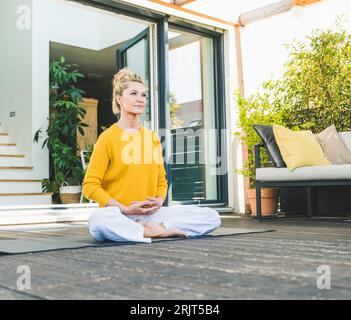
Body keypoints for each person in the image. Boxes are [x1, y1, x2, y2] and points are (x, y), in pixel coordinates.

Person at [82, 68, 221, 243]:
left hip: (150, 215)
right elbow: (90, 186)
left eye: (143, 95)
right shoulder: (107, 138)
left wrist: (159, 200)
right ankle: (154, 231)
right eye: (133, 93)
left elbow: (161, 181)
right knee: (98, 221)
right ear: (119, 99)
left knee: (212, 216)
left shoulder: (152, 137)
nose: (140, 99)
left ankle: (150, 229)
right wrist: (125, 209)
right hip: (118, 213)